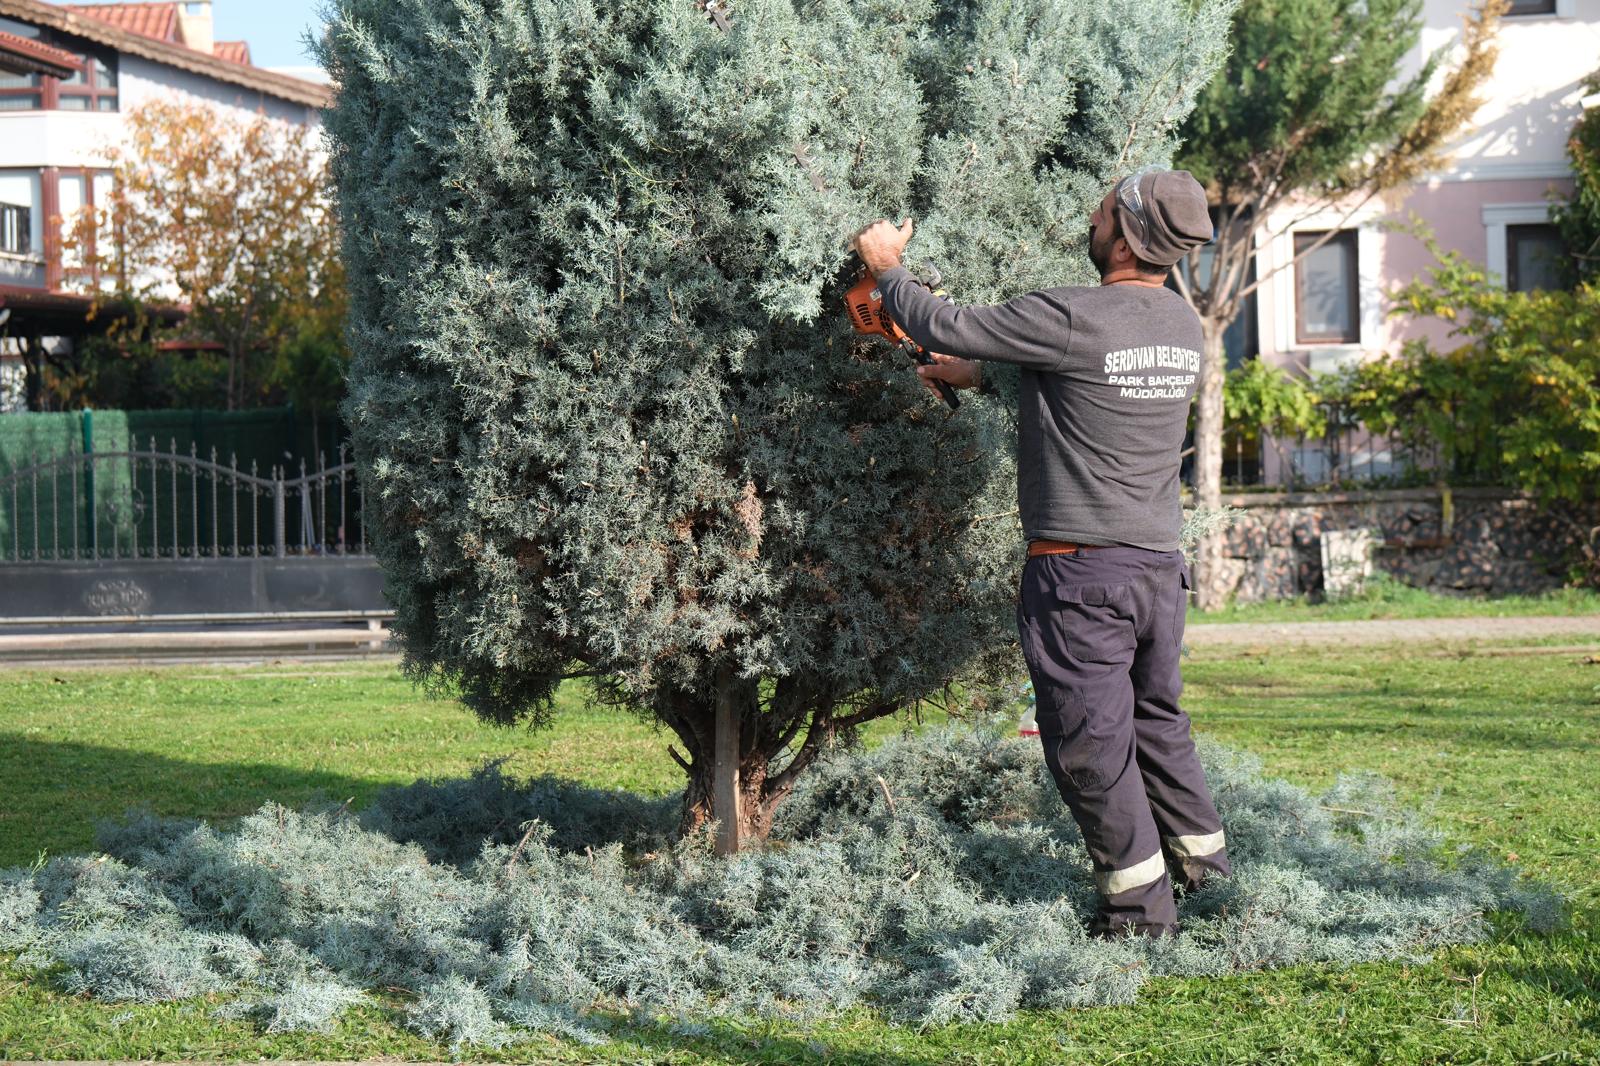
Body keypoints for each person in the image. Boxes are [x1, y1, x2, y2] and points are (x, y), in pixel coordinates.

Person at [850, 168, 1230, 938]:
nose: (1088, 222)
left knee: (1091, 749)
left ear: (1123, 235)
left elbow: (948, 323)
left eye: (1098, 215)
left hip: (1081, 576)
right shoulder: (1179, 325)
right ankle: (1207, 880)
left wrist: (888, 269)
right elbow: (1091, 386)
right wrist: (985, 378)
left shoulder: (1072, 313)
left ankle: (1139, 918)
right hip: (1156, 570)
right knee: (1158, 726)